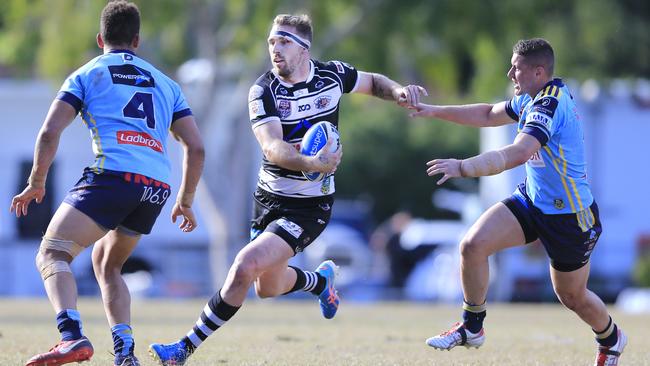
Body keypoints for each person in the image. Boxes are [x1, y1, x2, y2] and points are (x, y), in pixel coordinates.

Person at [148, 13, 427, 365]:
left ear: (304, 50)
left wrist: (400, 91)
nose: (275, 50)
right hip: (268, 200)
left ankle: (183, 349)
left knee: (243, 268)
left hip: (310, 207)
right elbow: (272, 148)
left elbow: (372, 83)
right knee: (268, 287)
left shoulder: (332, 76)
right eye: (271, 42)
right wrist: (311, 163)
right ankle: (319, 282)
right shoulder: (263, 90)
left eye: (283, 42)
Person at [10, 2, 205, 366]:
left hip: (114, 177)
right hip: (154, 187)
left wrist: (37, 182)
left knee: (53, 253)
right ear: (137, 40)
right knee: (107, 264)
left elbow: (50, 131)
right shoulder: (166, 83)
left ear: (100, 38)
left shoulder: (89, 73)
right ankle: (125, 354)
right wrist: (187, 199)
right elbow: (195, 146)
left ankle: (71, 337)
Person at [410, 38, 626, 365]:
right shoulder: (529, 97)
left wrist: (463, 167)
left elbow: (519, 152)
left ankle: (612, 339)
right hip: (532, 201)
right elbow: (486, 114)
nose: (510, 72)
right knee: (472, 245)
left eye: (517, 67)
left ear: (539, 72)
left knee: (572, 296)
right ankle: (472, 327)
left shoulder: (548, 105)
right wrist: (434, 111)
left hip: (570, 216)